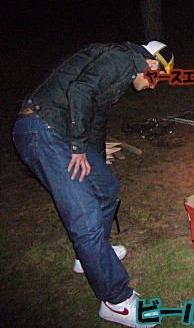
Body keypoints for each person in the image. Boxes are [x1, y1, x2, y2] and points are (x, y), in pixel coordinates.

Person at [12, 41, 174, 327]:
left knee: (106, 186)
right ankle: (116, 301)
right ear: (151, 64)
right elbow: (80, 91)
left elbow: (95, 117)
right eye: (156, 77)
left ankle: (90, 256)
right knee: (85, 217)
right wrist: (78, 147)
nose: (153, 85)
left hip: (60, 132)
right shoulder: (121, 57)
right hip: (42, 130)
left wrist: (94, 156)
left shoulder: (120, 75)